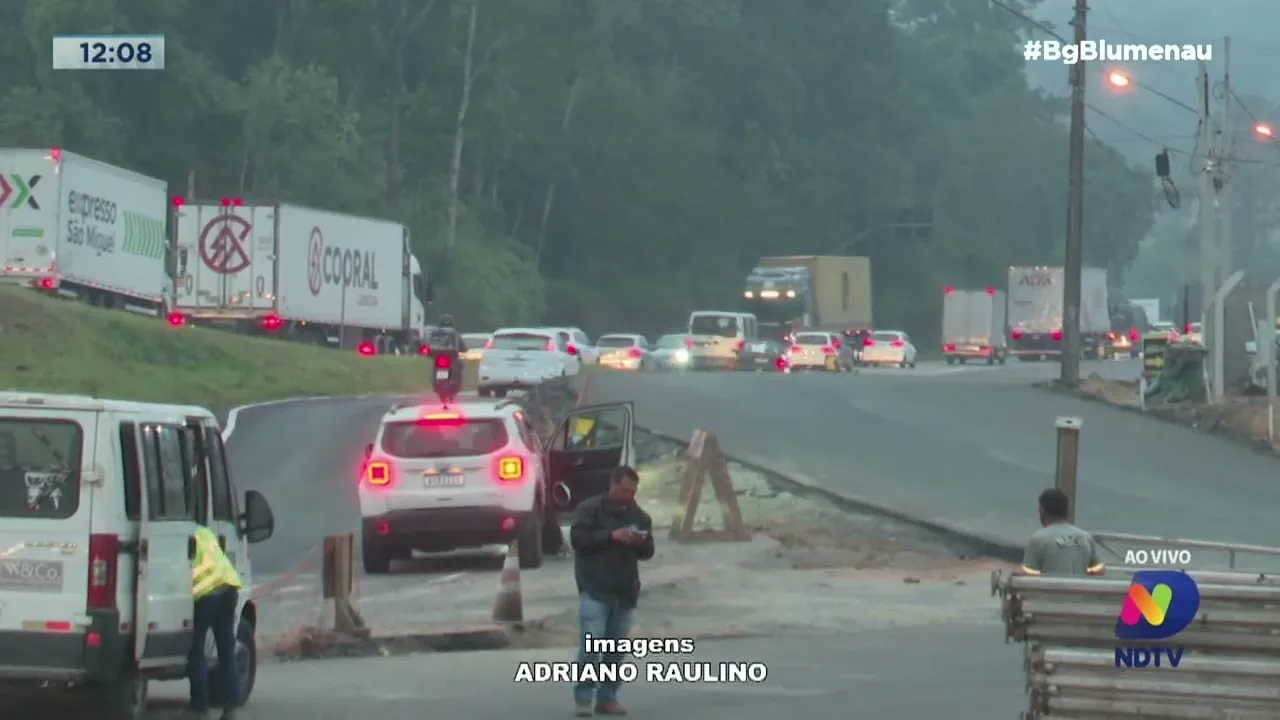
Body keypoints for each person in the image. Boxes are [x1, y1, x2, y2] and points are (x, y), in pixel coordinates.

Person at [569, 466, 654, 716]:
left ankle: (607, 697)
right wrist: (612, 536)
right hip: (595, 586)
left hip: (625, 589)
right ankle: (583, 697)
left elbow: (648, 552)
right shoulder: (589, 509)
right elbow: (579, 541)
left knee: (616, 650)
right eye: (624, 490)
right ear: (612, 485)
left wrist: (639, 542)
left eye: (632, 492)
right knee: (591, 646)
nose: (628, 496)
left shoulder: (640, 516)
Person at [188, 524, 243, 718]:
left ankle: (200, 709)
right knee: (226, 650)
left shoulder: (184, 535)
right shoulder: (205, 532)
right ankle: (231, 708)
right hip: (228, 588)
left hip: (206, 594)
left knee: (197, 650)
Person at [1019, 488, 1106, 576]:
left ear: (1042, 511)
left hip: (1051, 585)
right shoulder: (1085, 537)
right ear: (1067, 511)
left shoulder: (1038, 539)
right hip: (1079, 584)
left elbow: (1028, 574)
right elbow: (1099, 570)